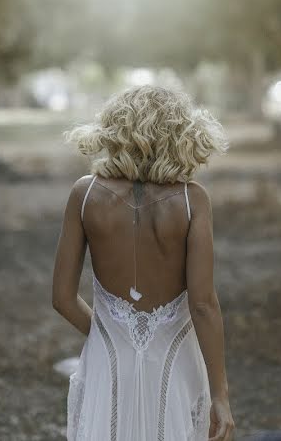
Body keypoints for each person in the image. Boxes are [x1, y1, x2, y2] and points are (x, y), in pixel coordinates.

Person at [52, 85, 233, 441]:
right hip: (175, 359)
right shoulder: (192, 200)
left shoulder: (84, 194)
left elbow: (61, 298)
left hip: (108, 360)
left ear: (114, 130)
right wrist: (220, 395)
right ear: (178, 134)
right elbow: (203, 304)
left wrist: (109, 335)